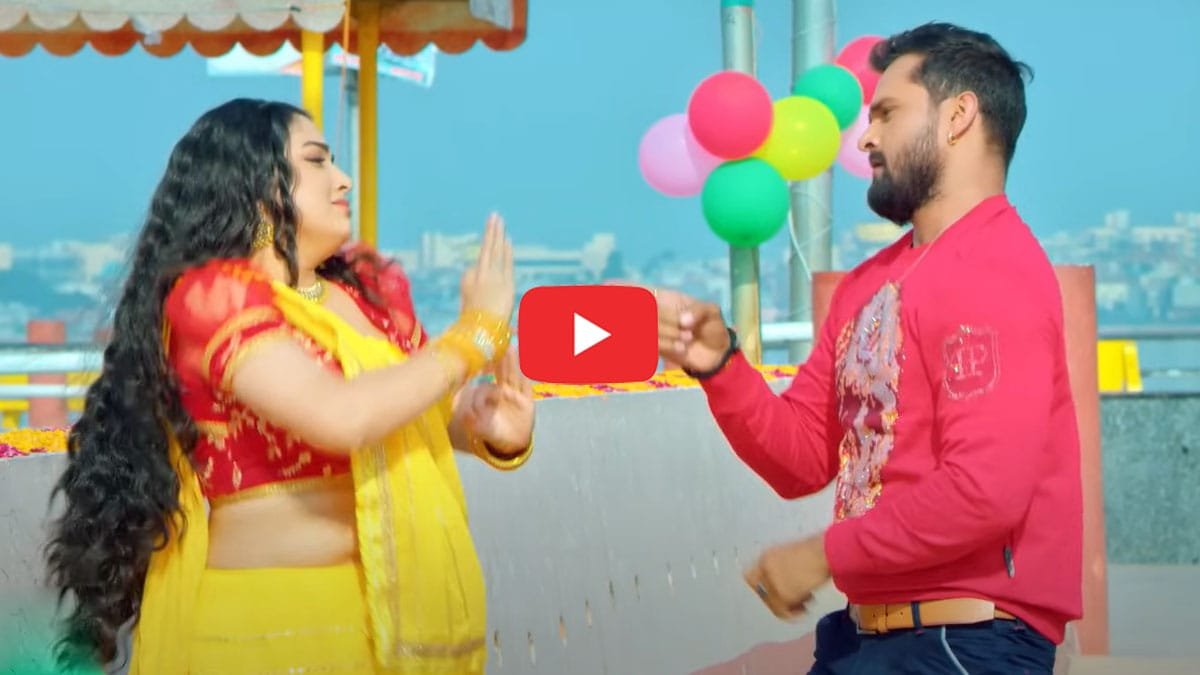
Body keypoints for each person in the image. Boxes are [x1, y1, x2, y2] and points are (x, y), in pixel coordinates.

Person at [45, 98, 535, 674]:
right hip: (262, 630)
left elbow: (418, 406)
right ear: (256, 185)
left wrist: (486, 426)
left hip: (379, 623)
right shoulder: (212, 298)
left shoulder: (367, 297)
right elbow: (340, 417)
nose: (343, 179)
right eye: (318, 161)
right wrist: (473, 335)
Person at [656, 23, 1080, 674]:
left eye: (887, 113)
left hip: (964, 643)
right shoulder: (869, 283)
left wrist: (822, 554)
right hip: (864, 638)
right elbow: (802, 456)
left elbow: (984, 489)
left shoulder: (994, 267)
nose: (866, 137)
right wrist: (720, 364)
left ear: (959, 115)